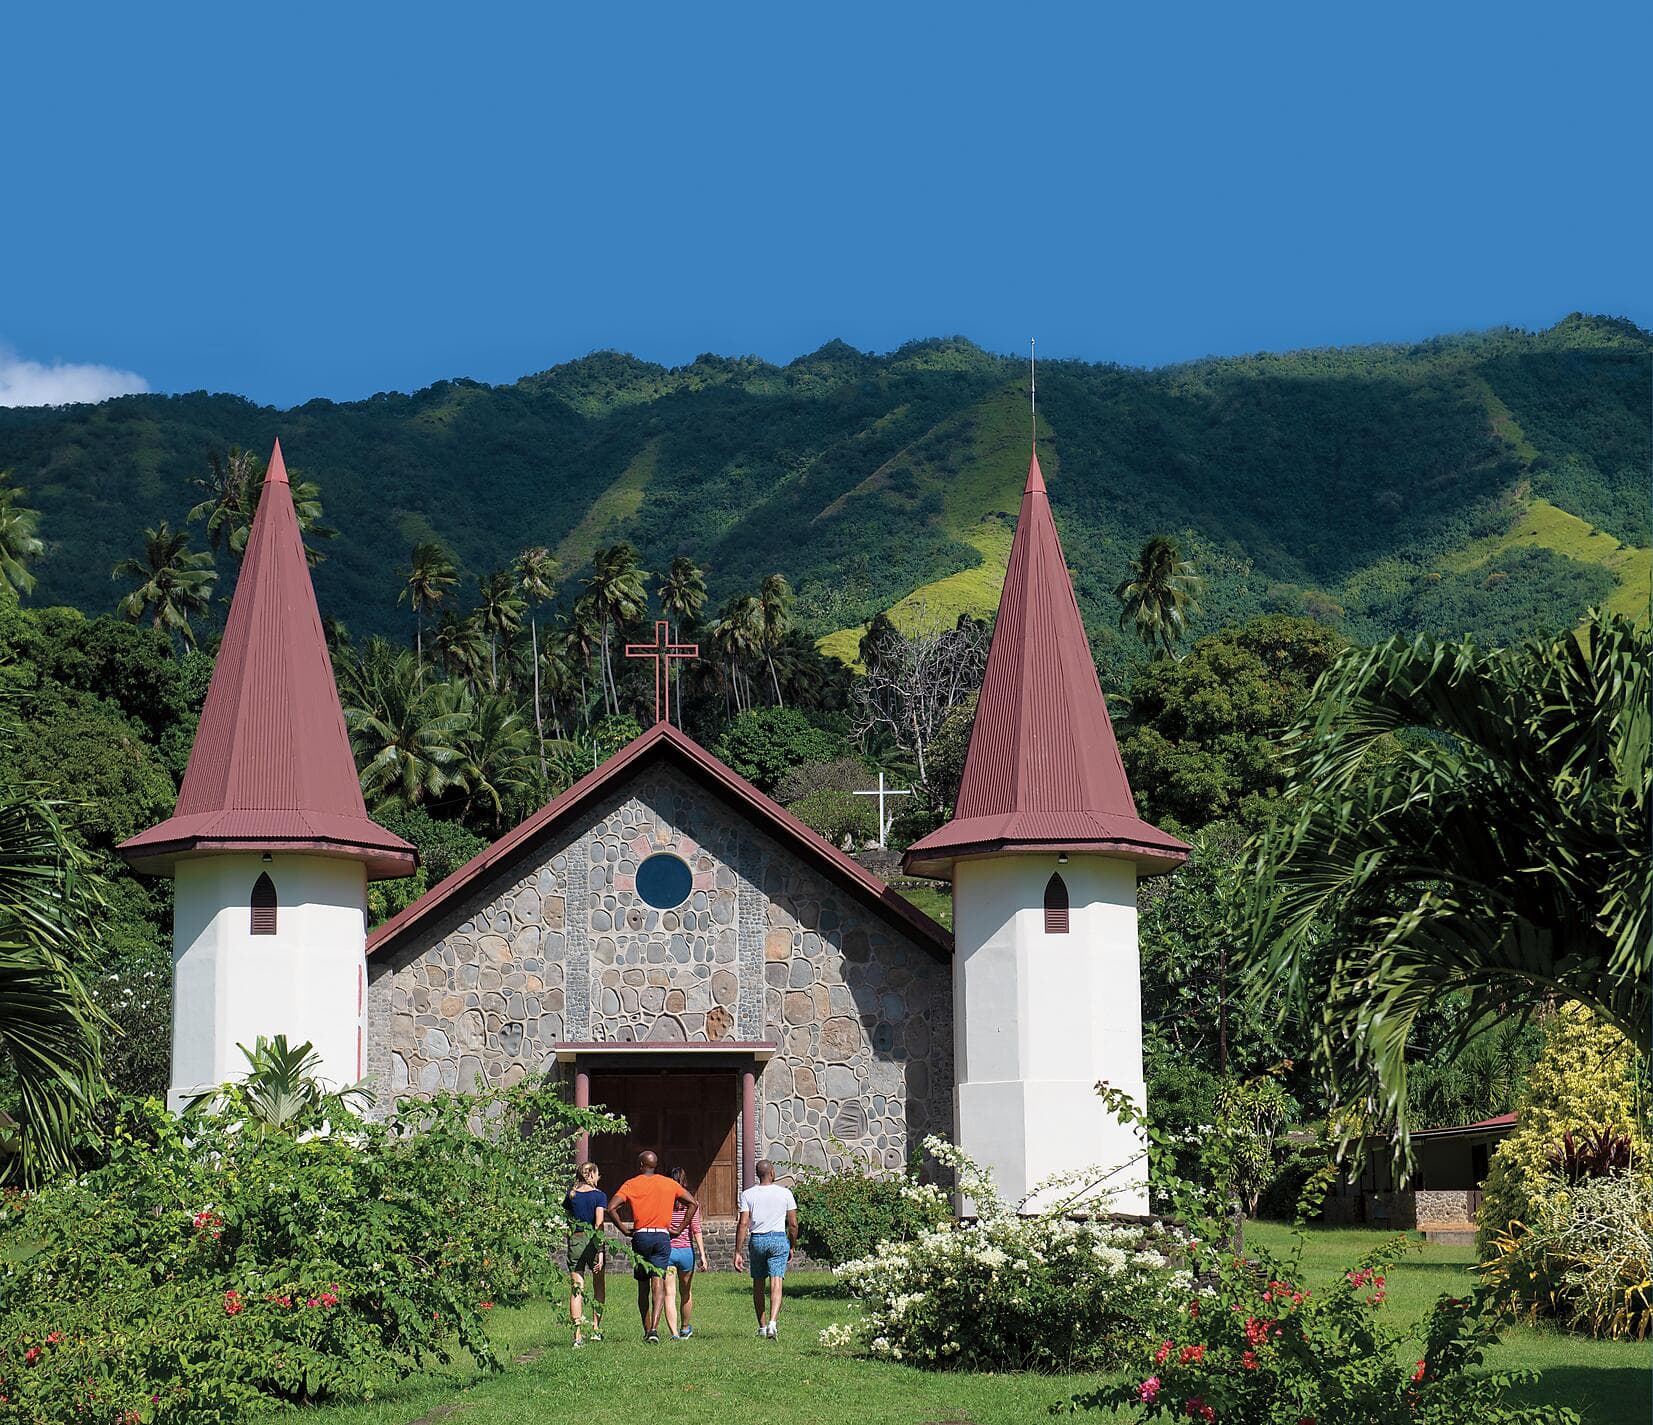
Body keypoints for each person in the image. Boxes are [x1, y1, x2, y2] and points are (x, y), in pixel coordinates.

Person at [608, 1149, 699, 1343]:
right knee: (658, 1281)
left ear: (641, 1165)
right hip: (662, 1236)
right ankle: (655, 1330)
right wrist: (679, 1228)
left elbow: (611, 1207)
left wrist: (624, 1229)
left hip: (641, 1236)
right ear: (655, 1165)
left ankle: (646, 1327)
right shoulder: (668, 1184)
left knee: (643, 1285)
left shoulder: (631, 1184)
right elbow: (692, 1203)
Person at [732, 1158, 798, 1339]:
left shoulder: (748, 1194)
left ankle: (761, 1326)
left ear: (757, 1174)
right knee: (776, 1281)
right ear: (772, 1173)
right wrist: (792, 1244)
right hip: (777, 1238)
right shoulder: (785, 1193)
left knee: (758, 1283)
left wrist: (738, 1251)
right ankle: (773, 1323)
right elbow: (793, 1224)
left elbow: (743, 1223)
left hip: (758, 1240)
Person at [563, 1162, 607, 1347]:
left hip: (575, 1239)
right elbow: (599, 1223)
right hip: (592, 1241)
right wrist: (601, 1250)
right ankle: (596, 1329)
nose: (599, 1178)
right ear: (592, 1175)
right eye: (597, 1174)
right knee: (598, 1285)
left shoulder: (571, 1195)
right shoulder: (599, 1196)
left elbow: (567, 1219)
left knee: (577, 1289)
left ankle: (577, 1336)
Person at [662, 1166, 708, 1340]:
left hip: (667, 1252)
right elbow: (696, 1229)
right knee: (686, 1293)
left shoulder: (664, 1202)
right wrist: (702, 1255)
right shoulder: (691, 1203)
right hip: (686, 1252)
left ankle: (673, 1333)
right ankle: (685, 1328)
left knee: (669, 1294)